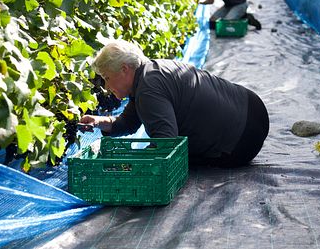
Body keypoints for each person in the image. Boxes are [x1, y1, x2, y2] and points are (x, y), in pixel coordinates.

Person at [79, 39, 270, 168]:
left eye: (106, 77)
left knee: (185, 160)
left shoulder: (148, 89)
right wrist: (98, 122)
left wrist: (128, 166)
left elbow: (165, 143)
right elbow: (129, 122)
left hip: (241, 143)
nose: (106, 86)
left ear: (124, 70)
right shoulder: (151, 72)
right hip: (253, 108)